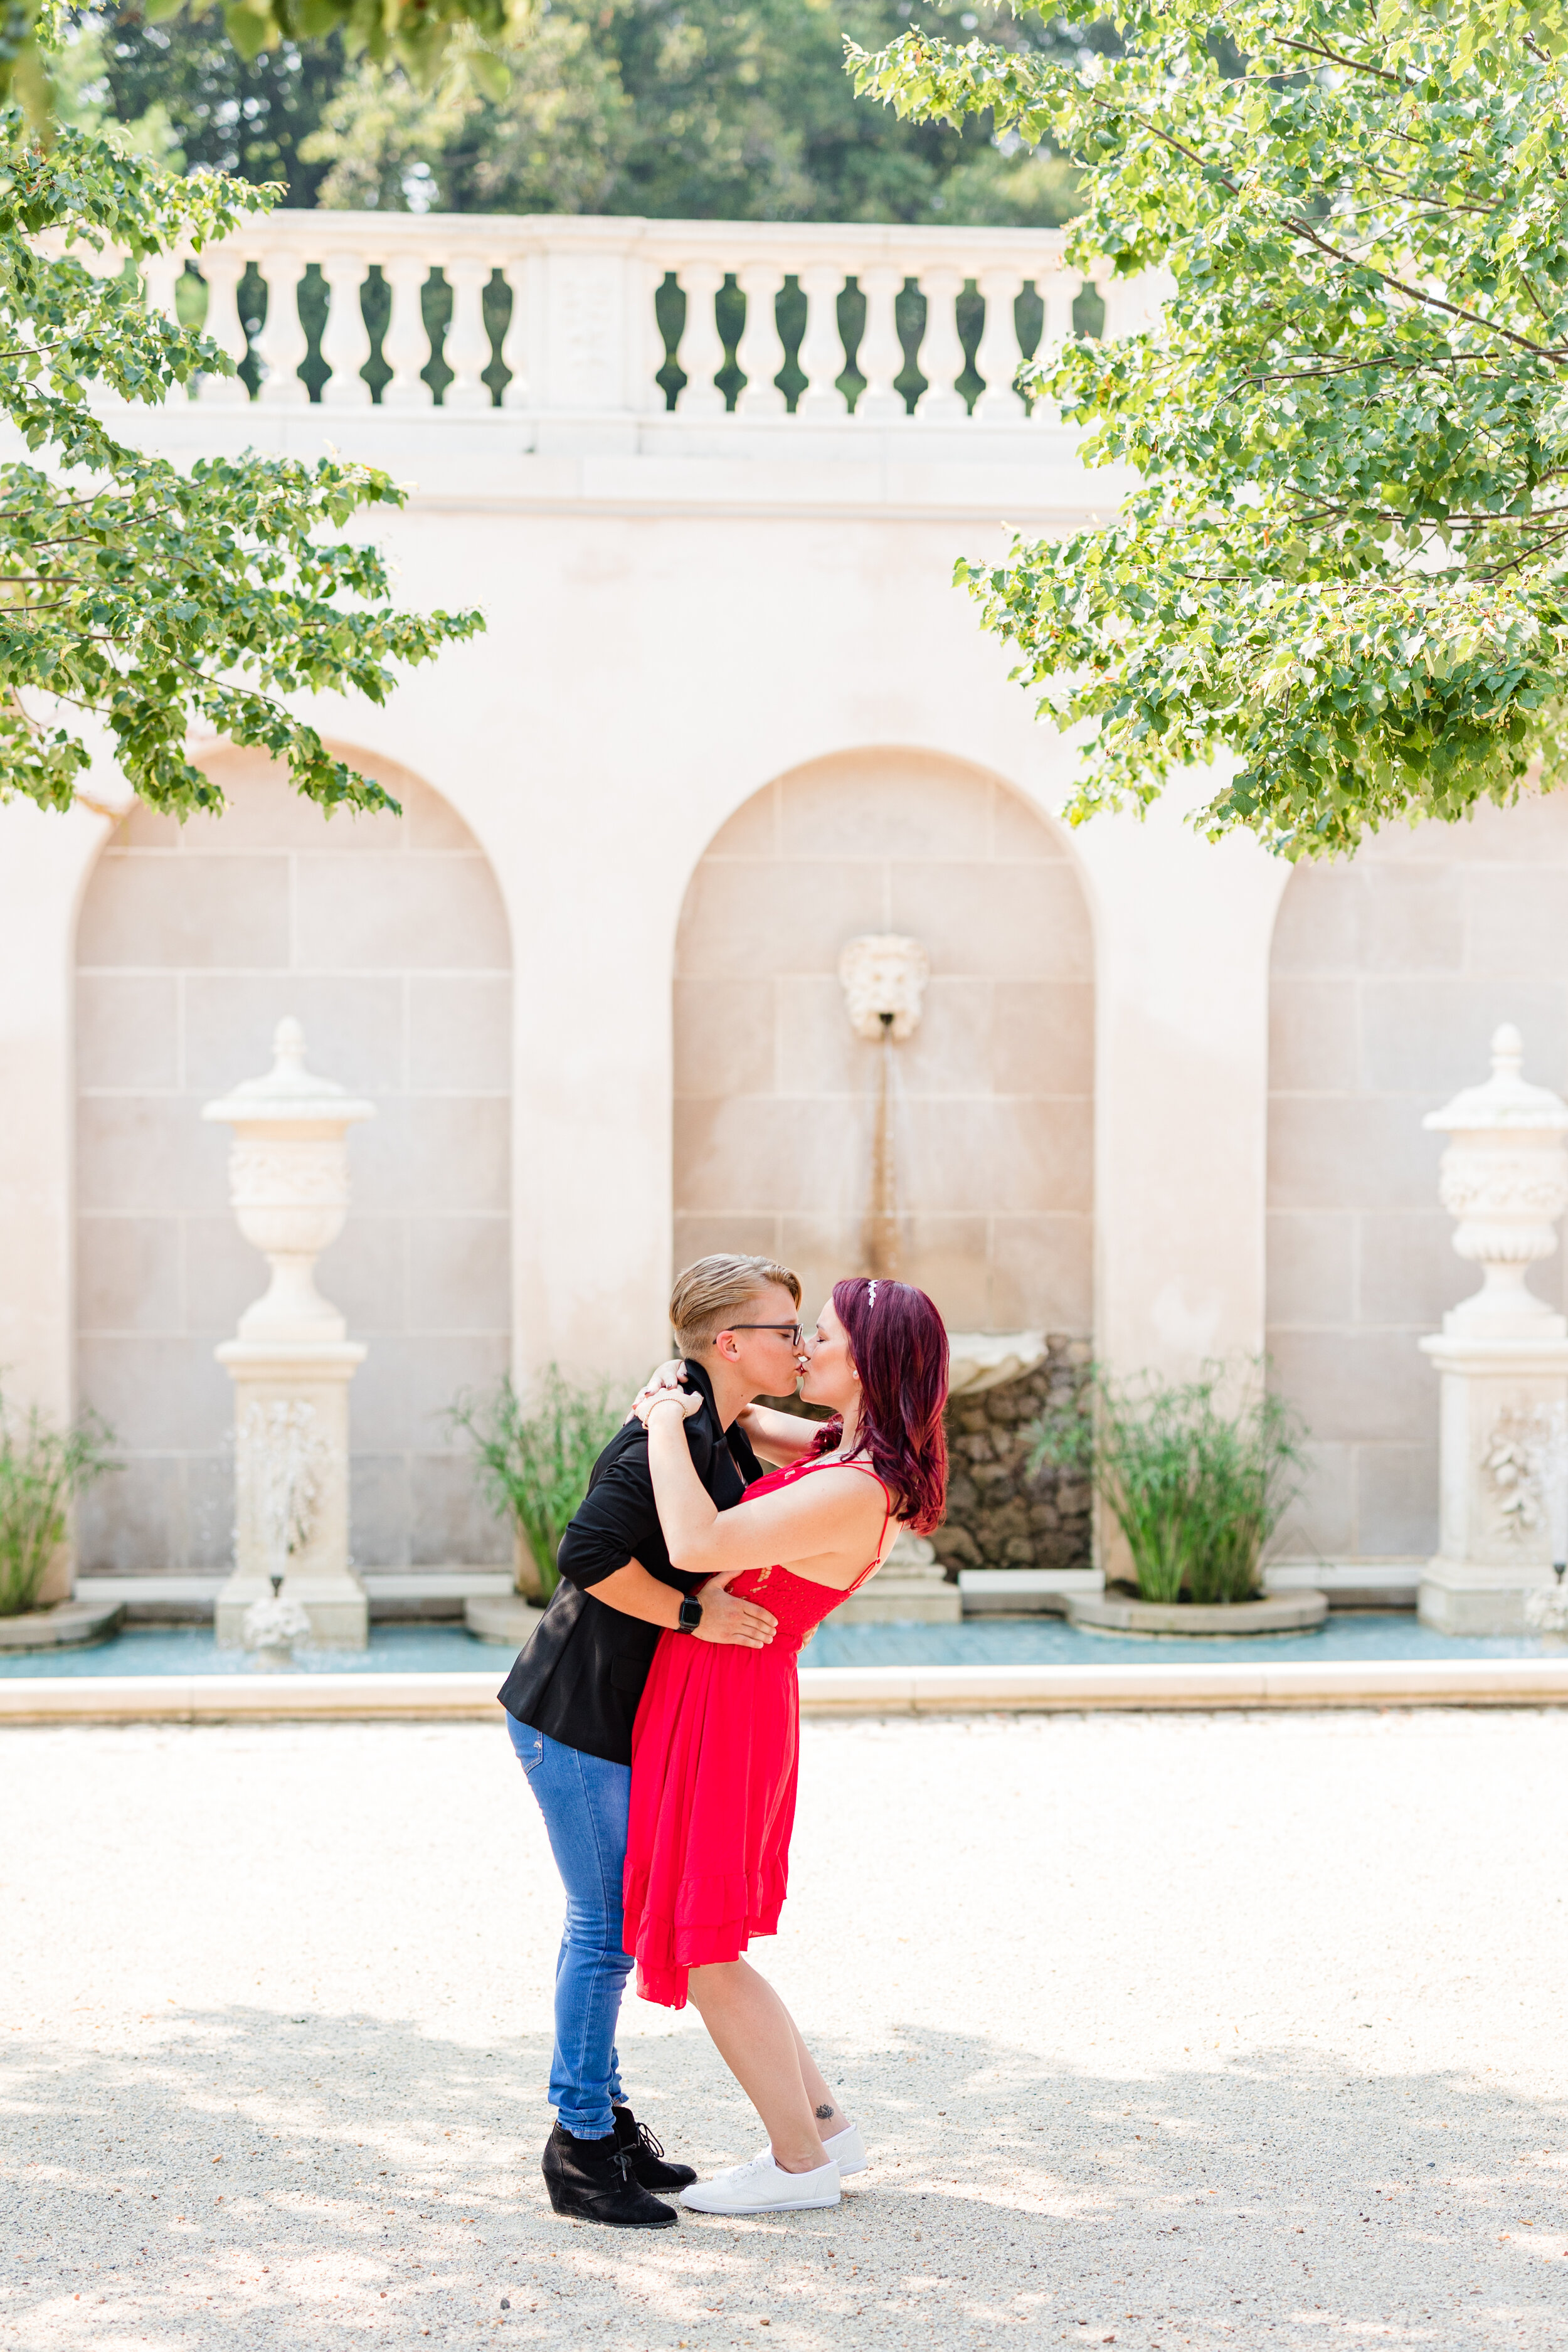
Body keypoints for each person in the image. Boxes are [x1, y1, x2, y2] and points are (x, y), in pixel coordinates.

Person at [495, 1253, 813, 2230]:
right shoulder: (657, 1441)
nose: (800, 1346)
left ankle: (607, 2119)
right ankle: (580, 2144)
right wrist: (692, 1616)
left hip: (617, 1720)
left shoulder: (707, 1425)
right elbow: (586, 1556)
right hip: (575, 1716)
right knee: (606, 1930)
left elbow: (834, 1444)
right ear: (729, 1342)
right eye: (784, 1330)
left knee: (613, 1926)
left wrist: (740, 1407)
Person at [623, 1275, 950, 2216]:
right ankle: (829, 2129)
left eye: (829, 1335)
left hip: (733, 1702)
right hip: (732, 1689)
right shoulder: (851, 1455)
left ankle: (798, 2163)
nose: (809, 1345)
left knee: (710, 1947)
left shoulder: (853, 1487)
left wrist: (656, 1419)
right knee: (711, 1935)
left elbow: (698, 1537)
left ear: (871, 1363)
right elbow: (774, 1430)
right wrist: (717, 1400)